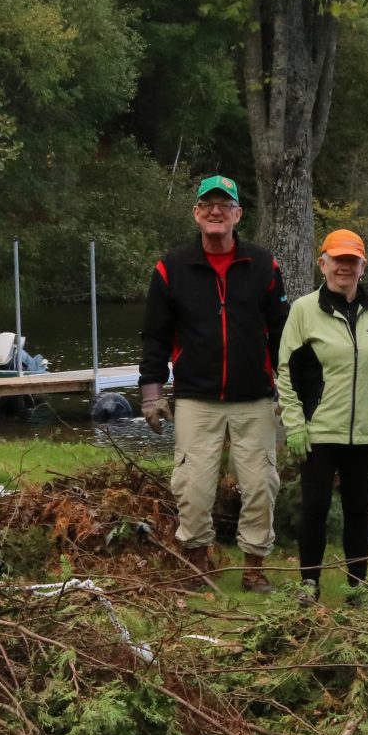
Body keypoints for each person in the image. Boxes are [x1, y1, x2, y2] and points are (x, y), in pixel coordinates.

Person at [139, 174, 289, 590]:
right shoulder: (171, 268)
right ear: (196, 213)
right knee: (193, 486)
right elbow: (154, 335)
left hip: (254, 397)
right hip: (196, 397)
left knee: (261, 485)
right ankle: (196, 566)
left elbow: (282, 332)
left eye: (225, 205)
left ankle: (254, 570)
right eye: (208, 204)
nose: (216, 211)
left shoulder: (263, 264)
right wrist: (152, 393)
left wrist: (289, 391)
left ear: (238, 215)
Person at [276, 229, 368, 601]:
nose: (344, 267)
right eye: (337, 260)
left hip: (363, 433)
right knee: (314, 506)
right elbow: (287, 372)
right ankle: (309, 583)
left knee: (358, 510)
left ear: (363, 266)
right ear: (323, 264)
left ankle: (357, 585)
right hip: (318, 431)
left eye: (352, 260)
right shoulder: (303, 311)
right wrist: (295, 425)